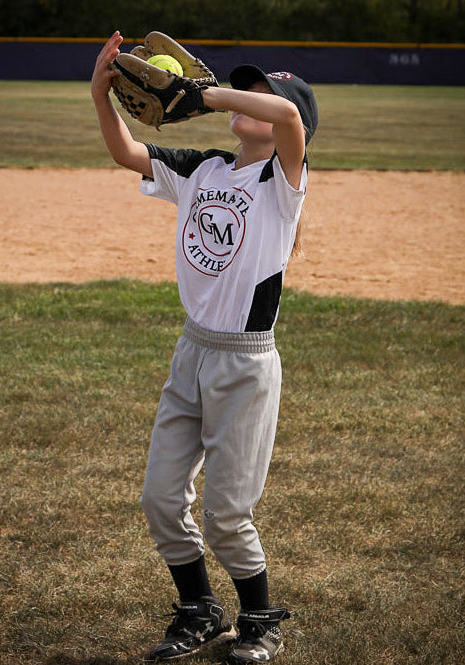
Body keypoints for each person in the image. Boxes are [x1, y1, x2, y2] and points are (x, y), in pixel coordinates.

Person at [91, 30, 318, 664]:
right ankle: (197, 609)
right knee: (161, 498)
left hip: (246, 362)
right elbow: (127, 153)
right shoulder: (204, 169)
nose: (248, 98)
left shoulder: (283, 180)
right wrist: (100, 95)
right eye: (244, 89)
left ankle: (260, 620)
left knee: (227, 513)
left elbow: (288, 116)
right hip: (192, 351)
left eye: (258, 93)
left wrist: (204, 95)